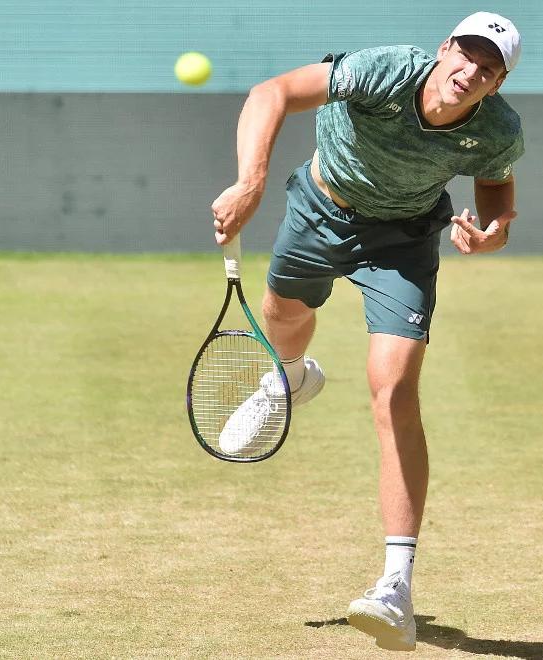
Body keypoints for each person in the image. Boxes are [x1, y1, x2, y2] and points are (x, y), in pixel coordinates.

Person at [210, 11, 524, 652]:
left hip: (403, 241)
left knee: (395, 391)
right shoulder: (385, 70)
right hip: (321, 209)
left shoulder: (496, 129)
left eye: (488, 70)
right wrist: (252, 182)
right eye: (466, 55)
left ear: (497, 84)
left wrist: (494, 232)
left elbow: (495, 182)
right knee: (282, 318)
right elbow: (270, 93)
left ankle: (395, 588)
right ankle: (289, 378)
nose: (471, 72)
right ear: (445, 48)